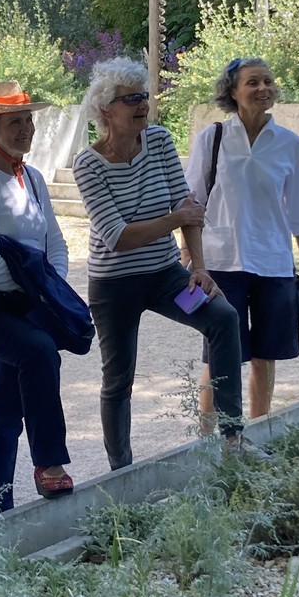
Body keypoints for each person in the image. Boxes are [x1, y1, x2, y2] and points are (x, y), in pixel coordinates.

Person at [72, 57, 244, 470]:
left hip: (167, 278)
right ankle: (121, 471)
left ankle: (233, 438)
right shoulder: (88, 164)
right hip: (115, 288)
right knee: (118, 379)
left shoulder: (161, 141)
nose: (142, 104)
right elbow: (117, 237)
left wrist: (199, 268)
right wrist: (175, 219)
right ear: (105, 111)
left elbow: (186, 206)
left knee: (222, 318)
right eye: (130, 98)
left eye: (144, 95)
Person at [0, 81, 78, 507]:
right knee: (39, 351)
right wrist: (34, 298)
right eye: (14, 122)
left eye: (28, 120)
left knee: (6, 403)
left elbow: (55, 243)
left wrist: (51, 286)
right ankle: (50, 462)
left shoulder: (35, 178)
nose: (26, 129)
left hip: (28, 300)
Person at [186, 57, 299, 422]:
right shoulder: (212, 139)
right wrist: (191, 258)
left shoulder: (288, 143)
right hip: (220, 261)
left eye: (268, 81)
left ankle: (257, 431)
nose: (264, 88)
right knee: (219, 355)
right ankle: (208, 440)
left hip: (274, 261)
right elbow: (191, 201)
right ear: (233, 91)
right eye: (253, 82)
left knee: (266, 354)